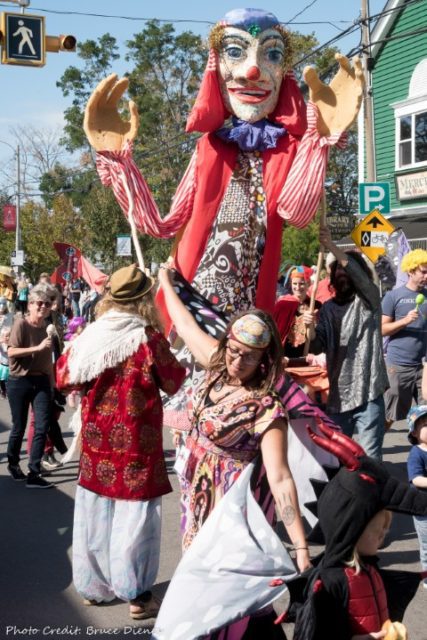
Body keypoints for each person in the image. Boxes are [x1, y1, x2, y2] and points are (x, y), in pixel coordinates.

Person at [84, 8, 364, 332]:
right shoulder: (209, 147)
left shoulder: (288, 149)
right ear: (216, 67)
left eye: (271, 54)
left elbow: (295, 212)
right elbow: (162, 224)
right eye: (235, 52)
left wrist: (320, 139)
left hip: (248, 324)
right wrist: (118, 160)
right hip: (191, 307)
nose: (253, 69)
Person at [158, 265, 310, 637]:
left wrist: (301, 547)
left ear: (265, 359)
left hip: (229, 509)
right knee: (201, 587)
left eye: (249, 357)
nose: (237, 361)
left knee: (224, 597)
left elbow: (280, 476)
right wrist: (164, 281)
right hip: (195, 498)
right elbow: (185, 322)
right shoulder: (215, 363)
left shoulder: (266, 408)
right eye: (234, 350)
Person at [56, 264, 185, 620]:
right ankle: (137, 594)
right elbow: (173, 380)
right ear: (144, 299)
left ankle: (93, 588)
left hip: (97, 445)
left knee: (95, 515)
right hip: (136, 447)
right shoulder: (146, 338)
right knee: (135, 522)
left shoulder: (90, 335)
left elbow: (63, 376)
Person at [292, 425, 427, 640]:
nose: (385, 533)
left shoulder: (369, 568)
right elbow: (324, 633)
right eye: (378, 529)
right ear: (350, 530)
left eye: (386, 526)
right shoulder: (330, 583)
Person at [305, 226, 388, 460]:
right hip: (338, 398)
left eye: (347, 269)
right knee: (340, 460)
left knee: (369, 460)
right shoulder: (328, 309)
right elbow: (317, 346)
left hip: (368, 393)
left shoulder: (369, 301)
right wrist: (309, 328)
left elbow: (360, 278)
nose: (342, 272)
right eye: (337, 270)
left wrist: (332, 247)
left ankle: (371, 497)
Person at [6, 285, 55, 488]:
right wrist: (37, 347)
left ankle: (34, 472)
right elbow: (11, 352)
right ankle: (13, 464)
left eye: (48, 304)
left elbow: (49, 359)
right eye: (40, 303)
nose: (44, 307)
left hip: (42, 381)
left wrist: (53, 384)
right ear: (31, 305)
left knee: (42, 427)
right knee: (19, 427)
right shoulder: (21, 324)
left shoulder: (49, 327)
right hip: (20, 381)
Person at [382, 249, 427, 427]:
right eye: (423, 271)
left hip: (423, 366)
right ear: (410, 271)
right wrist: (405, 321)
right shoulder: (393, 296)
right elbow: (382, 329)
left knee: (425, 415)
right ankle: (373, 451)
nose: (426, 275)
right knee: (390, 415)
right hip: (398, 365)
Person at [273, 265, 320, 357]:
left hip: (307, 355)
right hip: (285, 355)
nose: (298, 287)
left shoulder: (316, 305)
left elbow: (320, 334)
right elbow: (276, 333)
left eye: (302, 283)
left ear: (309, 283)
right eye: (295, 284)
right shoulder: (282, 304)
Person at [407, 404, 427, 590]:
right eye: (425, 425)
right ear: (414, 433)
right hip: (423, 509)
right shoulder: (416, 454)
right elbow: (416, 479)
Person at [0, 325, 11, 397]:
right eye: (6, 336)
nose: (7, 338)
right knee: (2, 380)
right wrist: (1, 340)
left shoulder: (11, 344)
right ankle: (3, 390)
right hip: (2, 366)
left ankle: (7, 392)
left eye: (9, 336)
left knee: (8, 381)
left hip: (10, 366)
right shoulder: (1, 345)